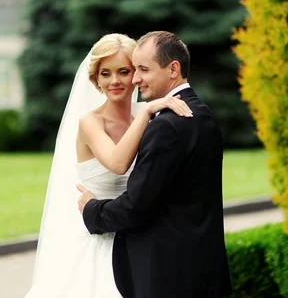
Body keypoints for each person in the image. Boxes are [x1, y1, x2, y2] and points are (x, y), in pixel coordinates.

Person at [25, 33, 192, 298]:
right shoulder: (91, 122)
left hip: (141, 239)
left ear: (136, 74)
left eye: (124, 71)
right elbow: (117, 163)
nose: (115, 81)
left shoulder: (151, 115)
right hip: (98, 239)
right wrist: (147, 112)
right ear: (96, 79)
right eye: (105, 73)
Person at [78, 31, 232, 298]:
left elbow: (136, 206)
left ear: (173, 69)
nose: (135, 79)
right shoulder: (203, 114)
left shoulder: (165, 125)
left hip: (166, 273)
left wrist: (92, 211)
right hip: (203, 267)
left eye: (142, 70)